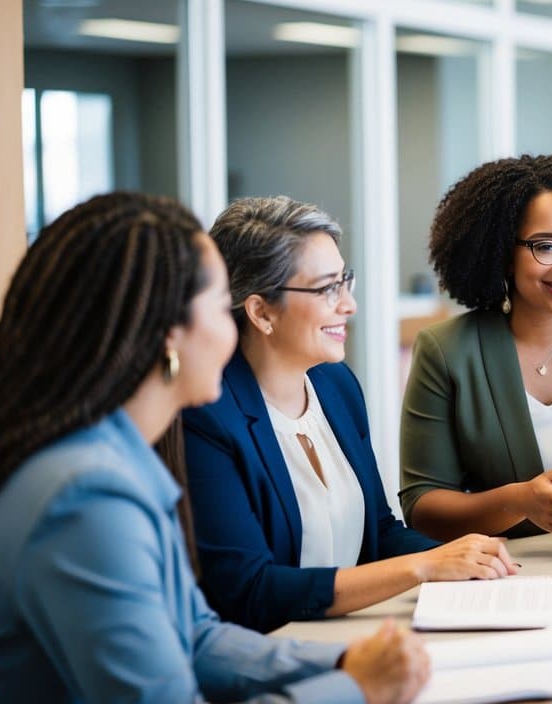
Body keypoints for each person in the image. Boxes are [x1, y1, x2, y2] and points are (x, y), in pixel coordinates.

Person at [0, 192, 427, 703]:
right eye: (220, 306)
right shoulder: (85, 498)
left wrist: (346, 662)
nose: (232, 331)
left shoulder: (118, 460)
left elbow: (197, 638)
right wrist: (353, 689)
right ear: (169, 336)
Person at [181, 196, 515, 633]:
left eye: (345, 282)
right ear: (261, 312)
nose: (349, 306)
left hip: (359, 635)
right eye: (326, 289)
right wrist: (421, 567)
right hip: (271, 661)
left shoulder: (335, 386)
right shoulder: (207, 417)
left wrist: (468, 557)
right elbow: (249, 590)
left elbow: (378, 532)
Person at [400, 155, 552, 548]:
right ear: (501, 254)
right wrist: (518, 502)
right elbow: (422, 506)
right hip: (490, 572)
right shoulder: (445, 351)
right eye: (546, 246)